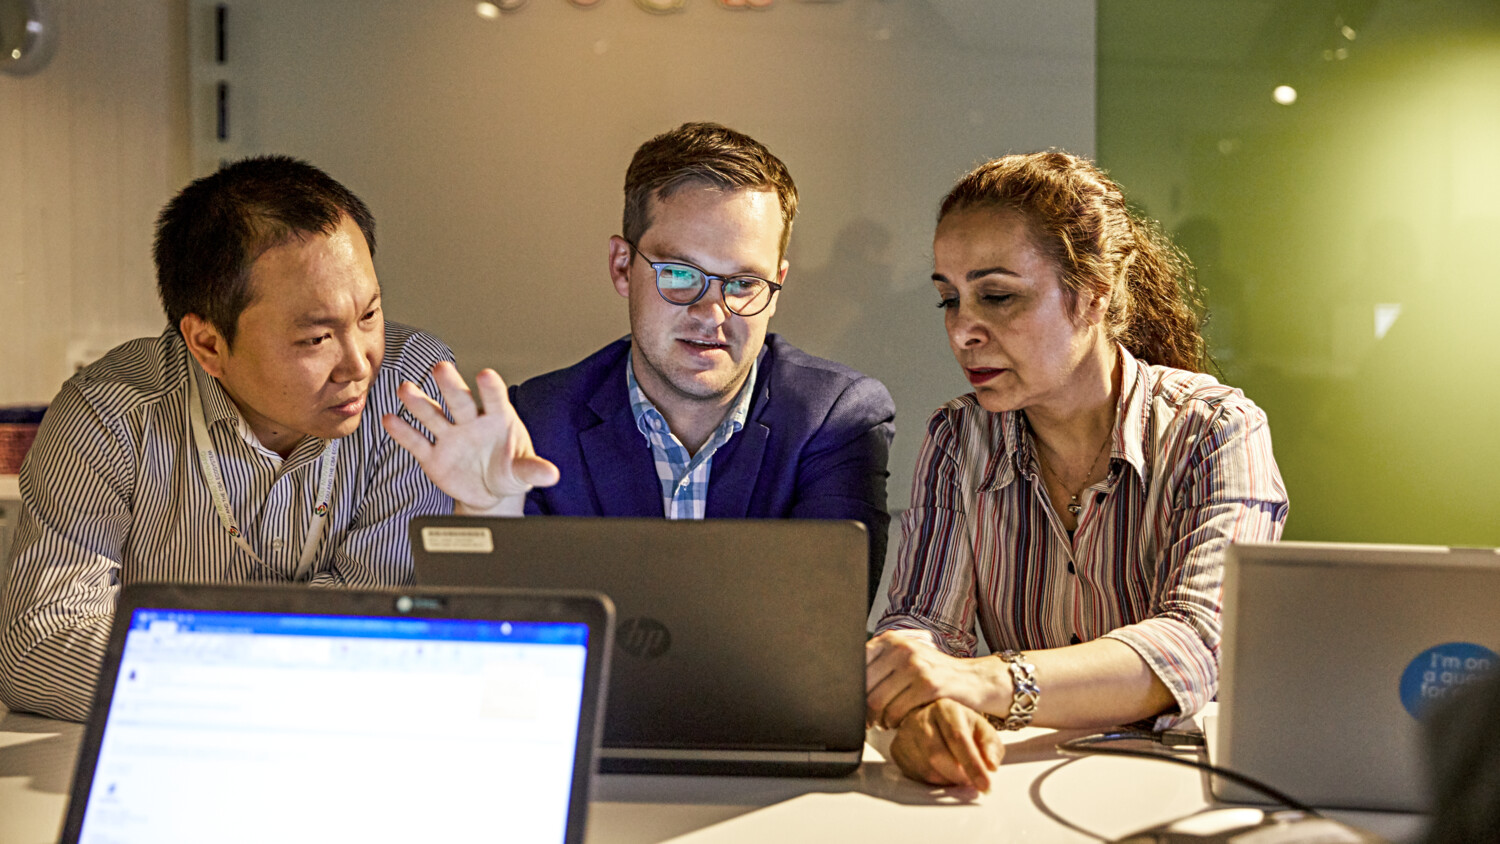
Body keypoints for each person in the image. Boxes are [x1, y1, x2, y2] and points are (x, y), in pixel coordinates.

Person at [864, 152, 1288, 790]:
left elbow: (1196, 643)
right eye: (949, 299)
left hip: (1185, 788)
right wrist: (926, 714)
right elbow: (922, 629)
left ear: (1094, 294)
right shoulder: (958, 437)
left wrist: (983, 681)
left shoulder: (1215, 428)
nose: (962, 332)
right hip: (1014, 794)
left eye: (997, 296)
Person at [0, 156, 457, 721]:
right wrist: (271, 678)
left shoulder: (412, 388)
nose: (359, 364)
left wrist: (188, 664)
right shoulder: (111, 413)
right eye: (316, 338)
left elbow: (385, 625)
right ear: (209, 344)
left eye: (369, 315)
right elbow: (39, 645)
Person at [385, 123, 895, 605]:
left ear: (776, 287)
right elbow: (504, 644)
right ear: (622, 266)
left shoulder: (834, 420)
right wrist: (485, 513)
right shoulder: (537, 423)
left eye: (743, 284)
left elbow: (823, 628)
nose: (711, 314)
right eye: (679, 273)